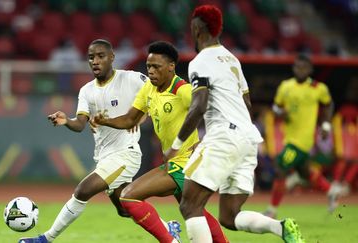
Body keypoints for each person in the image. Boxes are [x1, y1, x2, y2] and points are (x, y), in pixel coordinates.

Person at [163, 5, 305, 243]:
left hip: (223, 136)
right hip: (248, 139)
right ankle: (280, 228)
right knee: (229, 216)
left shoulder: (200, 62)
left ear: (197, 29)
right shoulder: (232, 59)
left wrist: (175, 146)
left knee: (189, 204)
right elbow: (247, 103)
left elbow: (198, 106)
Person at [93, 41, 228, 243]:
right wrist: (105, 121)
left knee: (128, 196)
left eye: (156, 67)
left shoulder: (182, 91)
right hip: (174, 163)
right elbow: (130, 119)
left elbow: (210, 108)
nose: (151, 71)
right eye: (149, 67)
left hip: (185, 164)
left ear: (171, 66)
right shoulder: (149, 88)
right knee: (194, 211)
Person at [18, 39, 146, 243]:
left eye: (100, 56)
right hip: (105, 157)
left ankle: (45, 239)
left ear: (112, 57)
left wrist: (141, 116)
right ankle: (169, 227)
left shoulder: (131, 79)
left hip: (126, 153)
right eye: (91, 57)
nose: (95, 61)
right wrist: (66, 120)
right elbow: (80, 124)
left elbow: (157, 92)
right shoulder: (87, 90)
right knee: (125, 209)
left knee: (82, 191)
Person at [263, 54, 342, 218]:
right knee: (305, 173)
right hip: (289, 137)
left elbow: (328, 105)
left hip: (303, 140)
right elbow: (276, 108)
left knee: (280, 167)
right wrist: (281, 112)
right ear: (294, 68)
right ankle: (331, 191)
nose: (300, 70)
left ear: (310, 70)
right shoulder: (286, 86)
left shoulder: (318, 88)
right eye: (298, 67)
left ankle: (272, 210)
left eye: (304, 67)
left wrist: (326, 125)